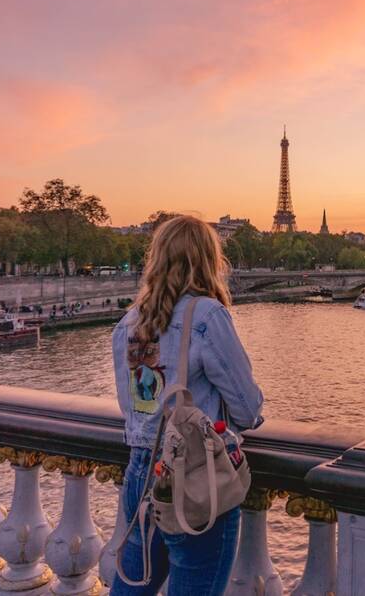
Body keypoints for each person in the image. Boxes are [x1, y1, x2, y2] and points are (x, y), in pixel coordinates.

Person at [111, 215, 264, 596]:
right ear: (208, 260)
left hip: (140, 472)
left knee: (133, 587)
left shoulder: (129, 323)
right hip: (195, 477)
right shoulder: (206, 316)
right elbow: (246, 409)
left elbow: (133, 407)